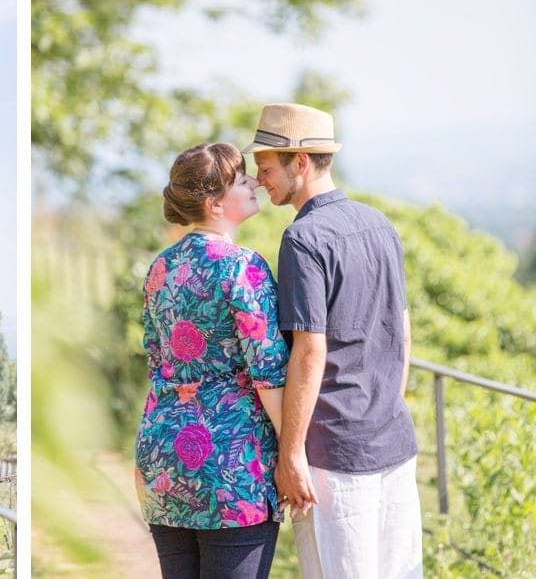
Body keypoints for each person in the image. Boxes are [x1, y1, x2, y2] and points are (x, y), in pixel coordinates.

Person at [244, 103, 423, 578]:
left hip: (334, 455)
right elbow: (401, 332)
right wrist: (382, 409)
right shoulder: (380, 224)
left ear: (299, 163)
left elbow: (309, 350)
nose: (261, 180)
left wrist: (291, 455)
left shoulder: (303, 239)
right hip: (392, 440)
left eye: (265, 169)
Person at [135, 142, 289, 579]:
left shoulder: (160, 268)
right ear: (214, 203)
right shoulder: (245, 267)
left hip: (164, 455)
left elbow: (156, 359)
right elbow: (268, 372)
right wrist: (294, 454)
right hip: (231, 464)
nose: (256, 181)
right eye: (242, 180)